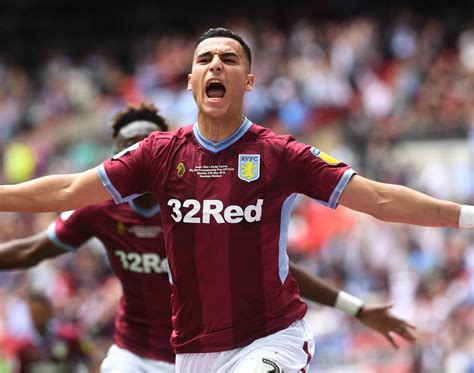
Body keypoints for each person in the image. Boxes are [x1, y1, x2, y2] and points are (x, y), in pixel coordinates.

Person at [0, 28, 469, 372]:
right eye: (205, 59)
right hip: (191, 352)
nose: (216, 65)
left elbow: (381, 199)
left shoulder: (280, 155)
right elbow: (65, 190)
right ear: (190, 82)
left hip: (270, 339)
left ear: (248, 81)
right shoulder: (159, 156)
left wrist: (468, 216)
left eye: (229, 58)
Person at [0, 102, 416, 372]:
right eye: (128, 147)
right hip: (135, 355)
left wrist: (355, 308)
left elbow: (278, 272)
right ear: (118, 157)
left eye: (145, 141)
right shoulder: (98, 211)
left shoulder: (201, 199)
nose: (137, 151)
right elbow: (32, 250)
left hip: (205, 354)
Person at [7, 293, 90, 373]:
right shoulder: (24, 347)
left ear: (50, 311)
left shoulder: (68, 337)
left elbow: (83, 362)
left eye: (40, 312)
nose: (37, 317)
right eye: (34, 313)